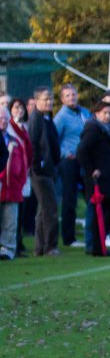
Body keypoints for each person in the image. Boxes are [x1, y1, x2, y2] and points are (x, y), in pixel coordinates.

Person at [76, 99, 110, 256]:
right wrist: (91, 170)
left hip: (109, 178)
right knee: (102, 212)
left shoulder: (106, 130)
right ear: (96, 114)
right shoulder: (92, 130)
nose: (108, 116)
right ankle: (95, 246)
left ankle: (98, 244)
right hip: (99, 180)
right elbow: (82, 151)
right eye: (104, 113)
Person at [53, 84, 92, 249]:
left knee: (92, 196)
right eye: (67, 95)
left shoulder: (84, 113)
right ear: (62, 98)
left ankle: (95, 233)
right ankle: (69, 237)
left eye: (73, 94)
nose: (71, 98)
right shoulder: (61, 117)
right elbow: (53, 139)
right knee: (69, 199)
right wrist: (64, 153)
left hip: (85, 160)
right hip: (69, 161)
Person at [28, 87, 61, 256]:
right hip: (40, 171)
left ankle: (40, 247)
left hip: (48, 169)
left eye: (50, 99)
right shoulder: (36, 119)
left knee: (43, 210)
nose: (49, 102)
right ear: (37, 101)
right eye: (45, 99)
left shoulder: (47, 118)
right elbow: (32, 143)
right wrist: (38, 165)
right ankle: (50, 246)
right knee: (50, 208)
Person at [9, 98, 34, 257]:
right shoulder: (10, 128)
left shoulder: (24, 128)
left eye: (21, 108)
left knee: (21, 209)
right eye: (16, 107)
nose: (19, 110)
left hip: (24, 173)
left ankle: (18, 241)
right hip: (12, 175)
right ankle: (12, 243)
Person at [0, 109, 27, 260]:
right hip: (1, 183)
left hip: (12, 187)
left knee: (10, 221)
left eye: (5, 118)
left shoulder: (15, 141)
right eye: (0, 118)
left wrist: (21, 182)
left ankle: (7, 250)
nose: (3, 121)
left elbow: (23, 164)